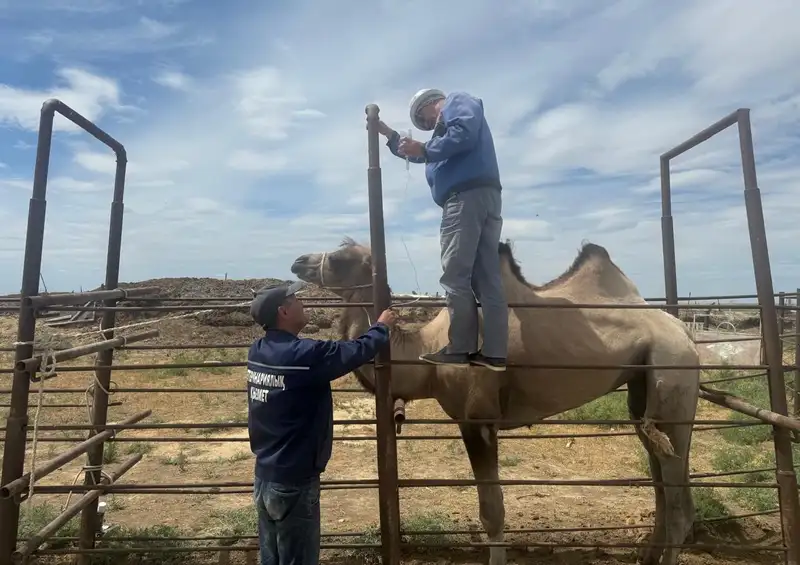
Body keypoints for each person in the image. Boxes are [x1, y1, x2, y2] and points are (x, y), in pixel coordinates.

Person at [246, 281, 397, 565]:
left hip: (265, 476)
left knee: (272, 558)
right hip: (293, 481)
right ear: (284, 311)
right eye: (296, 300)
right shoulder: (303, 356)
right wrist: (382, 326)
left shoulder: (258, 351)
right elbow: (355, 352)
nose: (303, 303)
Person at [376, 88, 508, 372]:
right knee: (486, 278)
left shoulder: (457, 102)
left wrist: (424, 148)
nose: (424, 126)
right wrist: (389, 135)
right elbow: (427, 153)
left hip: (463, 200)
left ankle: (460, 348)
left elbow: (458, 136)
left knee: (454, 275)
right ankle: (495, 354)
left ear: (429, 104)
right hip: (484, 197)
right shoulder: (444, 140)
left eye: (422, 119)